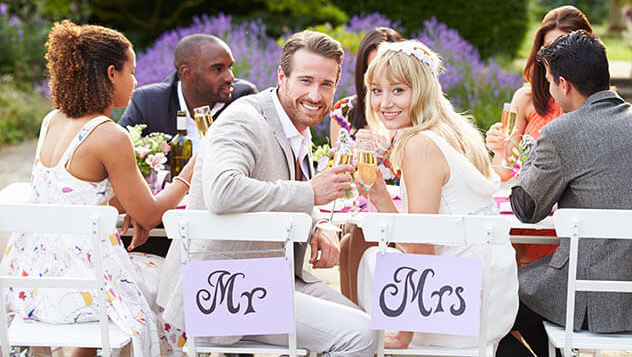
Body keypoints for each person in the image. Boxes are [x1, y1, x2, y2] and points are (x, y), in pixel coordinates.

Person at [156, 30, 377, 355]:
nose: (316, 95)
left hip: (272, 279)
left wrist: (314, 224)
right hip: (223, 289)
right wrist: (308, 194)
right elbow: (223, 191)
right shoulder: (244, 120)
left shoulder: (295, 129)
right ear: (281, 77)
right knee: (360, 335)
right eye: (305, 81)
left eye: (326, 84)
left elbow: (276, 188)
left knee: (369, 324)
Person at [498, 30, 632, 357]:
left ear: (564, 84)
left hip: (586, 302)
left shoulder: (560, 133)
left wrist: (531, 154)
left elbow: (525, 209)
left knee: (494, 303)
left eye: (549, 81)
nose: (548, 89)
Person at [0, 20, 195, 356]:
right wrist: (191, 171)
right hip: (80, 286)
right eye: (130, 71)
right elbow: (148, 212)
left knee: (127, 280)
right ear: (110, 74)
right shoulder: (109, 135)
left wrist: (116, 205)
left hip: (31, 280)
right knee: (172, 278)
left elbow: (72, 193)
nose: (136, 81)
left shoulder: (53, 121)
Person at [354, 40, 519, 350]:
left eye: (398, 90)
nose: (384, 103)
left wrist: (405, 332)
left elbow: (421, 245)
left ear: (423, 90)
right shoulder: (455, 130)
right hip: (492, 297)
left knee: (371, 259)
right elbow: (424, 239)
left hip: (458, 304)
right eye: (376, 90)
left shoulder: (420, 145)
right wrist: (379, 195)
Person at [486, 5, 594, 267]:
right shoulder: (525, 99)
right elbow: (505, 172)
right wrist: (498, 149)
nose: (557, 60)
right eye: (549, 50)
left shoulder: (594, 102)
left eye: (564, 47)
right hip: (532, 217)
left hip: (576, 224)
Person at [331, 27, 403, 304]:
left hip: (400, 209)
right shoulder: (346, 112)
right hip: (361, 207)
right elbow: (338, 172)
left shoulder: (410, 113)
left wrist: (385, 150)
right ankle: (356, 321)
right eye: (373, 67)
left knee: (358, 235)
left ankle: (362, 327)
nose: (381, 76)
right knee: (352, 237)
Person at [119, 33, 257, 152]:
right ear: (187, 73)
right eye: (218, 69)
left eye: (230, 67)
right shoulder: (148, 102)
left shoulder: (243, 97)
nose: (230, 77)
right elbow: (118, 150)